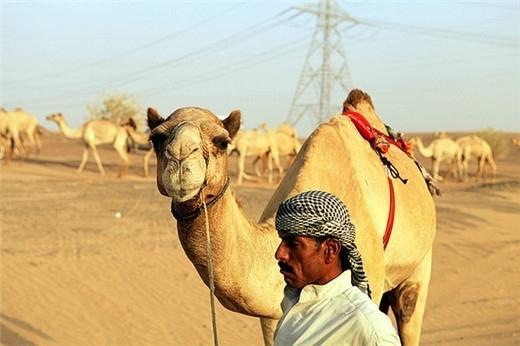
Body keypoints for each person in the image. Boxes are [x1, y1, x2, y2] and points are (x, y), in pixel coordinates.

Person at [273, 190, 401, 346]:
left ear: (330, 250)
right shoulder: (293, 299)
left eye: (293, 244)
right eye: (282, 241)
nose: (280, 254)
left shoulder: (370, 328)